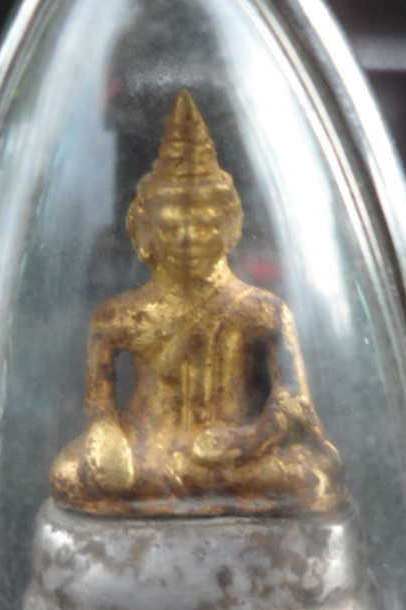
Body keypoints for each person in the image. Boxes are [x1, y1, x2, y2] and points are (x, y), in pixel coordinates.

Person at [51, 90, 344, 516]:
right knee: (68, 474)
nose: (188, 241)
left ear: (230, 224)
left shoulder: (261, 310)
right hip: (148, 447)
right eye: (172, 228)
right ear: (143, 229)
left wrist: (249, 438)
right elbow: (100, 406)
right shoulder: (118, 317)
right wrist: (106, 436)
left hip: (232, 453)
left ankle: (183, 489)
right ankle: (205, 489)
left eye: (203, 226)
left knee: (318, 477)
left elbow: (295, 403)